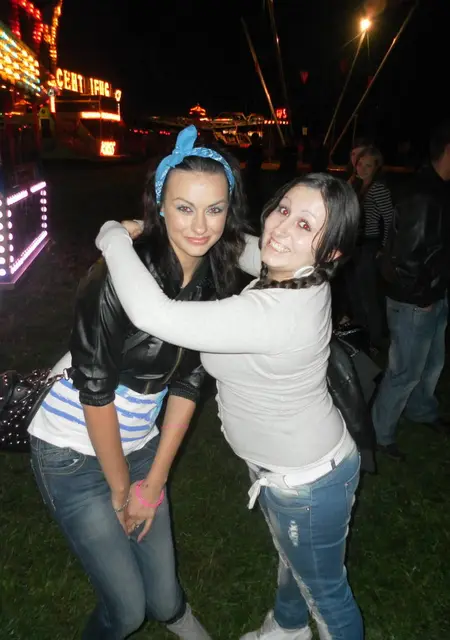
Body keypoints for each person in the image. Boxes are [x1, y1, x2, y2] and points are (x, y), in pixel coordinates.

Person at [96, 172, 365, 640]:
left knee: (328, 596)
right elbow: (232, 243)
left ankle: (297, 627)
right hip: (293, 472)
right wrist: (177, 221)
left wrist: (113, 237)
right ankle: (287, 629)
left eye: (305, 225)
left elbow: (154, 314)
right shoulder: (294, 272)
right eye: (284, 210)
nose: (280, 229)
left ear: (332, 252)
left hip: (306, 485)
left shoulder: (278, 314)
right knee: (293, 562)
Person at [27, 125, 248, 640]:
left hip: (142, 444)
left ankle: (177, 616)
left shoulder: (215, 281)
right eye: (184, 208)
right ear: (159, 206)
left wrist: (154, 481)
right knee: (127, 612)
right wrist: (122, 491)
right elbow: (95, 391)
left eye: (215, 209)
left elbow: (189, 384)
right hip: (72, 449)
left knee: (164, 595)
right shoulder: (117, 274)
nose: (201, 226)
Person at [374, 121, 450, 460]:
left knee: (432, 362)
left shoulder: (438, 188)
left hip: (434, 293)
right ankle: (380, 434)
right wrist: (423, 296)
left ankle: (421, 410)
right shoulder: (424, 194)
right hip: (416, 300)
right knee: (404, 371)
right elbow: (406, 259)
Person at [348, 146, 394, 349]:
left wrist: (383, 248)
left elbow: (391, 219)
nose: (363, 169)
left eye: (368, 165)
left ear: (376, 168)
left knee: (368, 295)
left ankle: (375, 340)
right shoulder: (358, 185)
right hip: (356, 245)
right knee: (356, 293)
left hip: (370, 244)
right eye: (360, 164)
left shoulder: (377, 189)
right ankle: (362, 337)